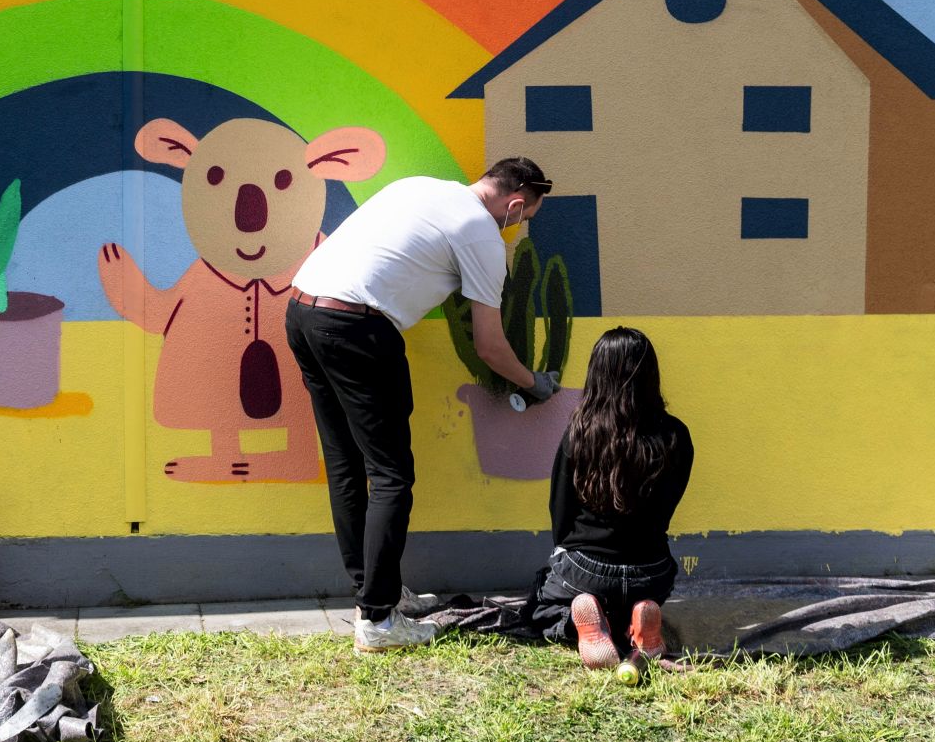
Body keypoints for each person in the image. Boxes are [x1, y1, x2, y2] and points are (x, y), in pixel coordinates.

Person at [286, 157, 561, 652]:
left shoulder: (421, 186)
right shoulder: (480, 231)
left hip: (304, 310)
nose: (518, 228)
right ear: (516, 203)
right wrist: (535, 382)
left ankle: (374, 593)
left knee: (346, 465)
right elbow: (489, 347)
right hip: (356, 327)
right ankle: (377, 620)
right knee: (392, 474)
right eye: (524, 219)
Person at [527, 325, 694, 671]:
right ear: (651, 374)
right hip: (650, 568)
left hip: (585, 568)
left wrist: (568, 552)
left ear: (596, 374)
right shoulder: (676, 434)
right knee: (642, 588)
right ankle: (639, 618)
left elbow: (560, 511)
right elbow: (667, 508)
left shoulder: (579, 432)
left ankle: (582, 623)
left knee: (539, 603)